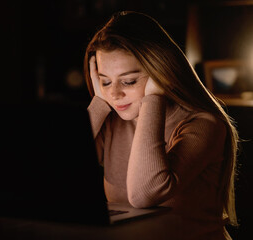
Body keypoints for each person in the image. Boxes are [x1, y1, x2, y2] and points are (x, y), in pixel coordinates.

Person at [84, 11, 239, 240]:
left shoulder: (204, 124)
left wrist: (153, 100)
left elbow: (143, 195)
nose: (114, 94)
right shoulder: (111, 121)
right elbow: (52, 177)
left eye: (128, 81)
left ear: (160, 74)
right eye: (105, 81)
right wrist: (98, 103)